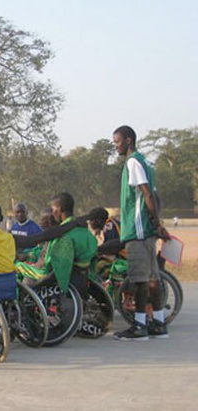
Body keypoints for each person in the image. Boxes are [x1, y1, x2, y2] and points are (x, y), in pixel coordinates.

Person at [112, 125, 169, 341]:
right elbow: (155, 196)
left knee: (140, 280)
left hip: (137, 232)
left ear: (128, 141)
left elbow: (146, 194)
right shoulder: (146, 162)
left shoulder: (133, 162)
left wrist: (155, 222)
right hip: (147, 231)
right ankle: (159, 323)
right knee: (153, 278)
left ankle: (139, 326)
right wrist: (157, 224)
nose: (115, 146)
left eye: (117, 141)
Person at [15, 193, 97, 294]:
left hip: (54, 276)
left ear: (60, 209)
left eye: (53, 209)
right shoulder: (86, 232)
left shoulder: (62, 236)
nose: (53, 213)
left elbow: (50, 264)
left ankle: (18, 302)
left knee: (16, 266)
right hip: (81, 276)